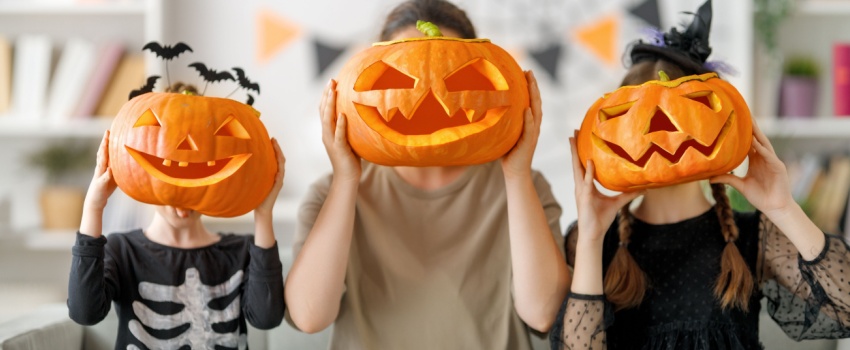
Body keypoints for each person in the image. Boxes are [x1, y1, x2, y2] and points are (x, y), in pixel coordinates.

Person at [550, 1, 850, 349]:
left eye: (696, 106)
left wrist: (783, 208)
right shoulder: (594, 242)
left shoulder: (751, 235)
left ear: (717, 119)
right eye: (626, 116)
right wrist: (589, 237)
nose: (659, 133)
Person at [283, 0, 570, 348]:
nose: (428, 94)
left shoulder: (526, 185)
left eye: (460, 77)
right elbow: (310, 315)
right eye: (397, 78)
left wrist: (517, 174)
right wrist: (345, 179)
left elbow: (543, 312)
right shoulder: (330, 192)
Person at [67, 130, 287, 350]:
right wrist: (93, 207)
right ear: (146, 175)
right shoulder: (123, 250)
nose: (183, 201)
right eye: (170, 181)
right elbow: (85, 312)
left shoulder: (242, 250)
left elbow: (267, 318)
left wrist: (263, 214)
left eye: (197, 182)